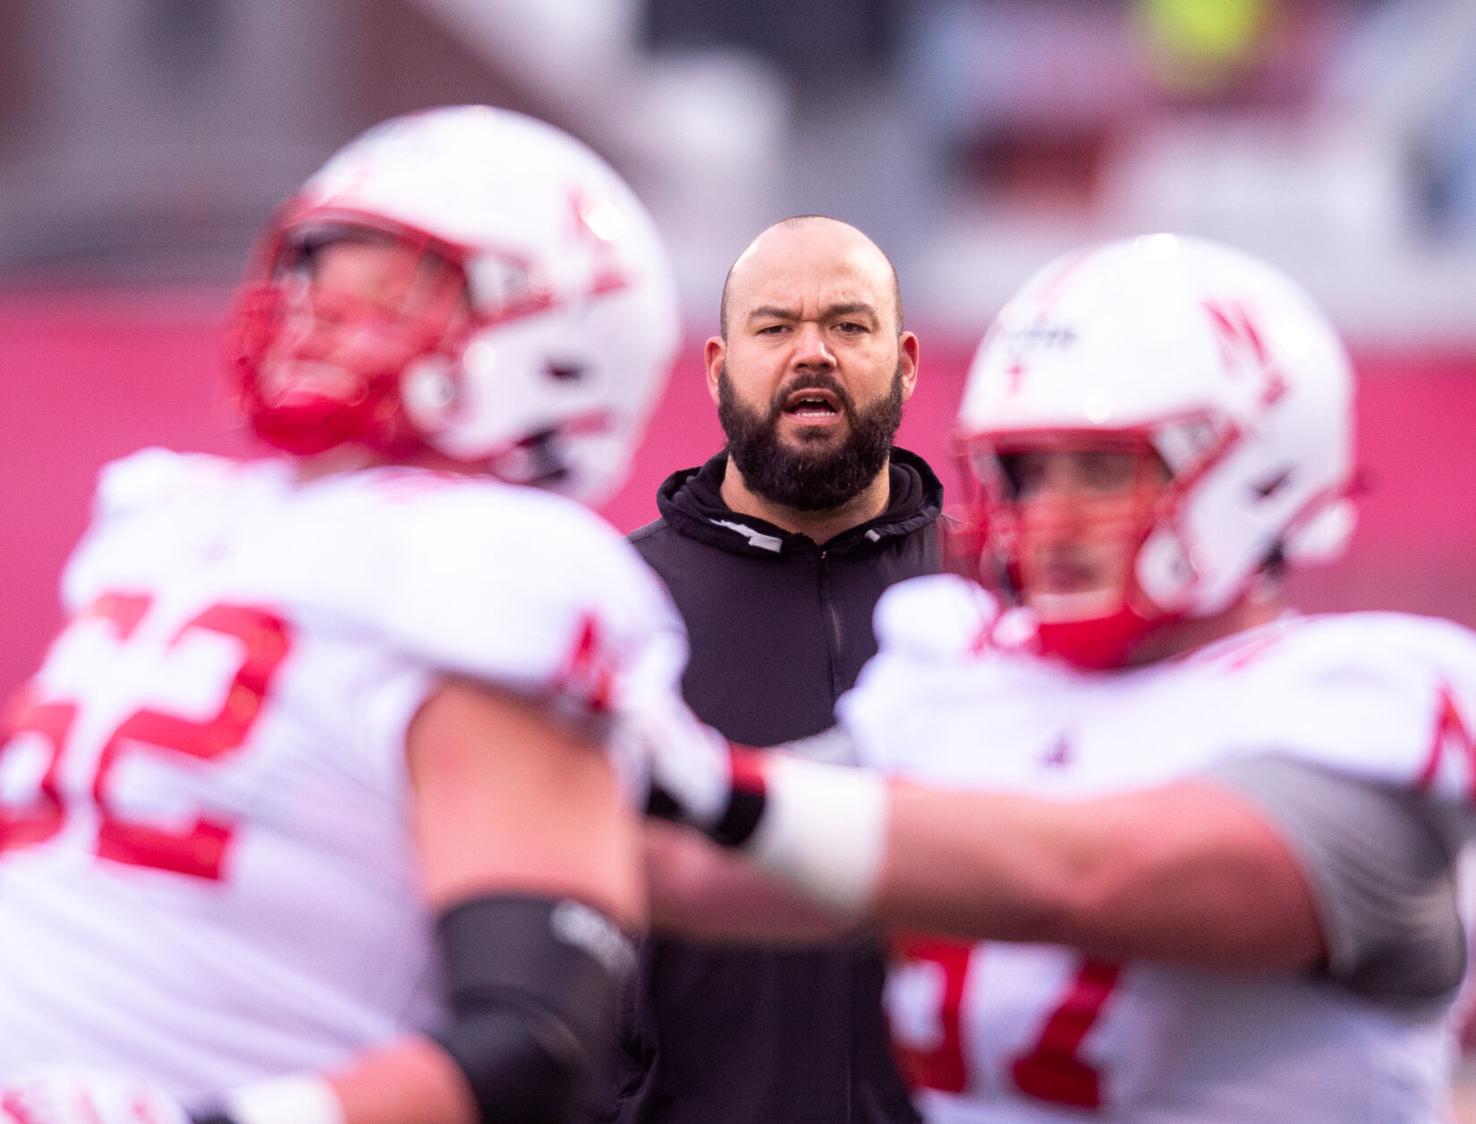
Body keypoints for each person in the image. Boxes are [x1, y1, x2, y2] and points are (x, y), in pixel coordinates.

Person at [641, 234, 1476, 1121]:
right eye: (1029, 472)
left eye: (1104, 468)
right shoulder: (970, 685)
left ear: (1255, 469)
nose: (1051, 514)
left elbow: (1088, 879)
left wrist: (691, 772)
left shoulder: (1361, 700)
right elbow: (696, 865)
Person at [0, 105, 685, 1124]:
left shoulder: (500, 561)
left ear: (557, 332)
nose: (316, 307)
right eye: (316, 266)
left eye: (393, 283)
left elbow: (532, 1040)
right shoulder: (176, 518)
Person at [600, 216, 938, 1124]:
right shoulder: (612, 607)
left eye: (849, 324)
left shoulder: (992, 605)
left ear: (906, 361)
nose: (812, 353)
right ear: (716, 365)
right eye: (775, 326)